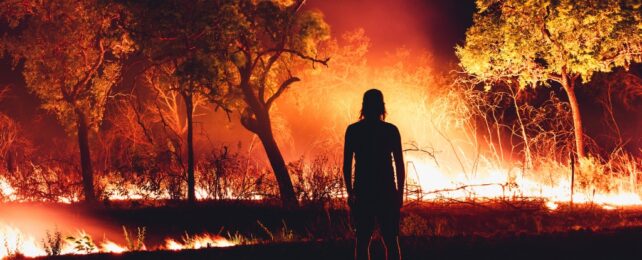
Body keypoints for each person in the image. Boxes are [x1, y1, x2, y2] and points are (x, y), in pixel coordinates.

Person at [343, 89, 405, 260]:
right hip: (386, 191)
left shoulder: (354, 130)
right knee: (391, 241)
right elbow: (399, 165)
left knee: (362, 241)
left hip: (363, 191)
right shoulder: (391, 130)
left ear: (363, 107)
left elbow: (346, 166)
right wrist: (399, 194)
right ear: (382, 107)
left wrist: (350, 192)